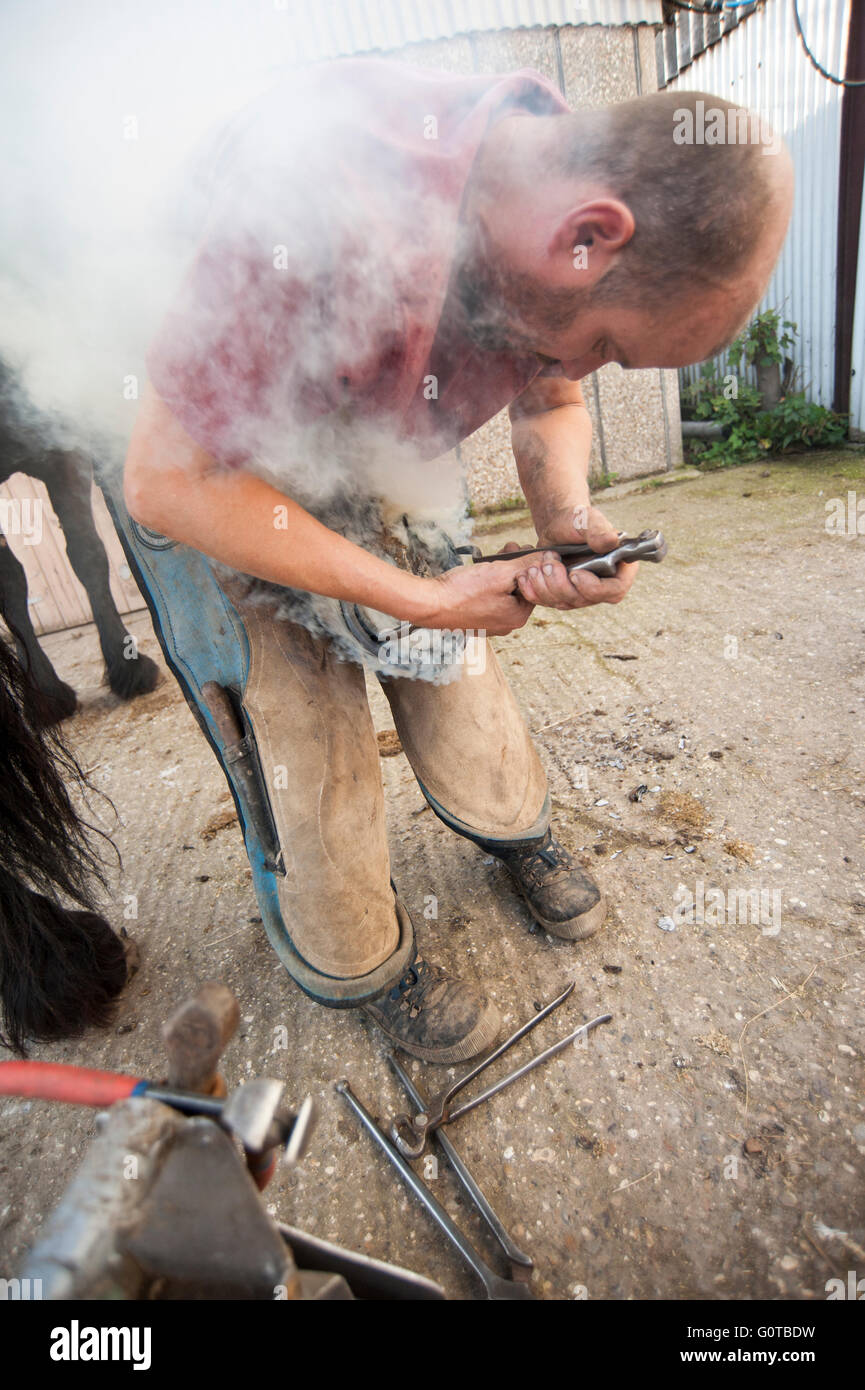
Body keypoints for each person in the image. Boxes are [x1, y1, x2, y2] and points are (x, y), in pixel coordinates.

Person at [122, 60, 792, 1063]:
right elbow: (166, 479)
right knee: (301, 719)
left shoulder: (550, 181)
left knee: (453, 660)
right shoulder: (314, 207)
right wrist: (422, 600)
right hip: (212, 456)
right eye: (608, 344)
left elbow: (548, 394)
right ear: (589, 237)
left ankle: (511, 823)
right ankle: (363, 963)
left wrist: (562, 515)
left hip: (375, 424)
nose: (585, 368)